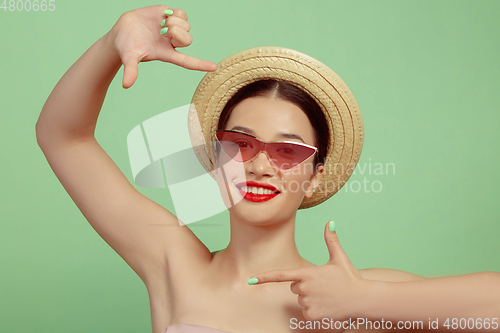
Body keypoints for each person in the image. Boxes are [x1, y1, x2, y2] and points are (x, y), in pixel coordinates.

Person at [36, 5, 500, 333]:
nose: (258, 165)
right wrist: (110, 45)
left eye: (288, 151)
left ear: (317, 172)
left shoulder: (355, 297)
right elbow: (62, 137)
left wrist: (368, 302)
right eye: (239, 143)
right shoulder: (171, 263)